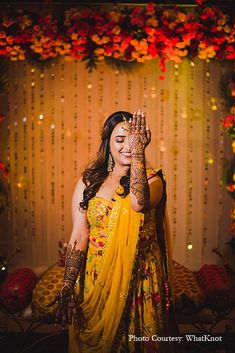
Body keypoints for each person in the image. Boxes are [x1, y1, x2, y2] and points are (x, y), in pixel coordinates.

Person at [48, 110, 177, 353]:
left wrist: (138, 152)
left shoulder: (153, 180)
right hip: (96, 277)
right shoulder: (89, 181)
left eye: (134, 139)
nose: (127, 146)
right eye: (120, 140)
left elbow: (138, 204)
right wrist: (68, 283)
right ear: (107, 142)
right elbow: (79, 234)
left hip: (138, 278)